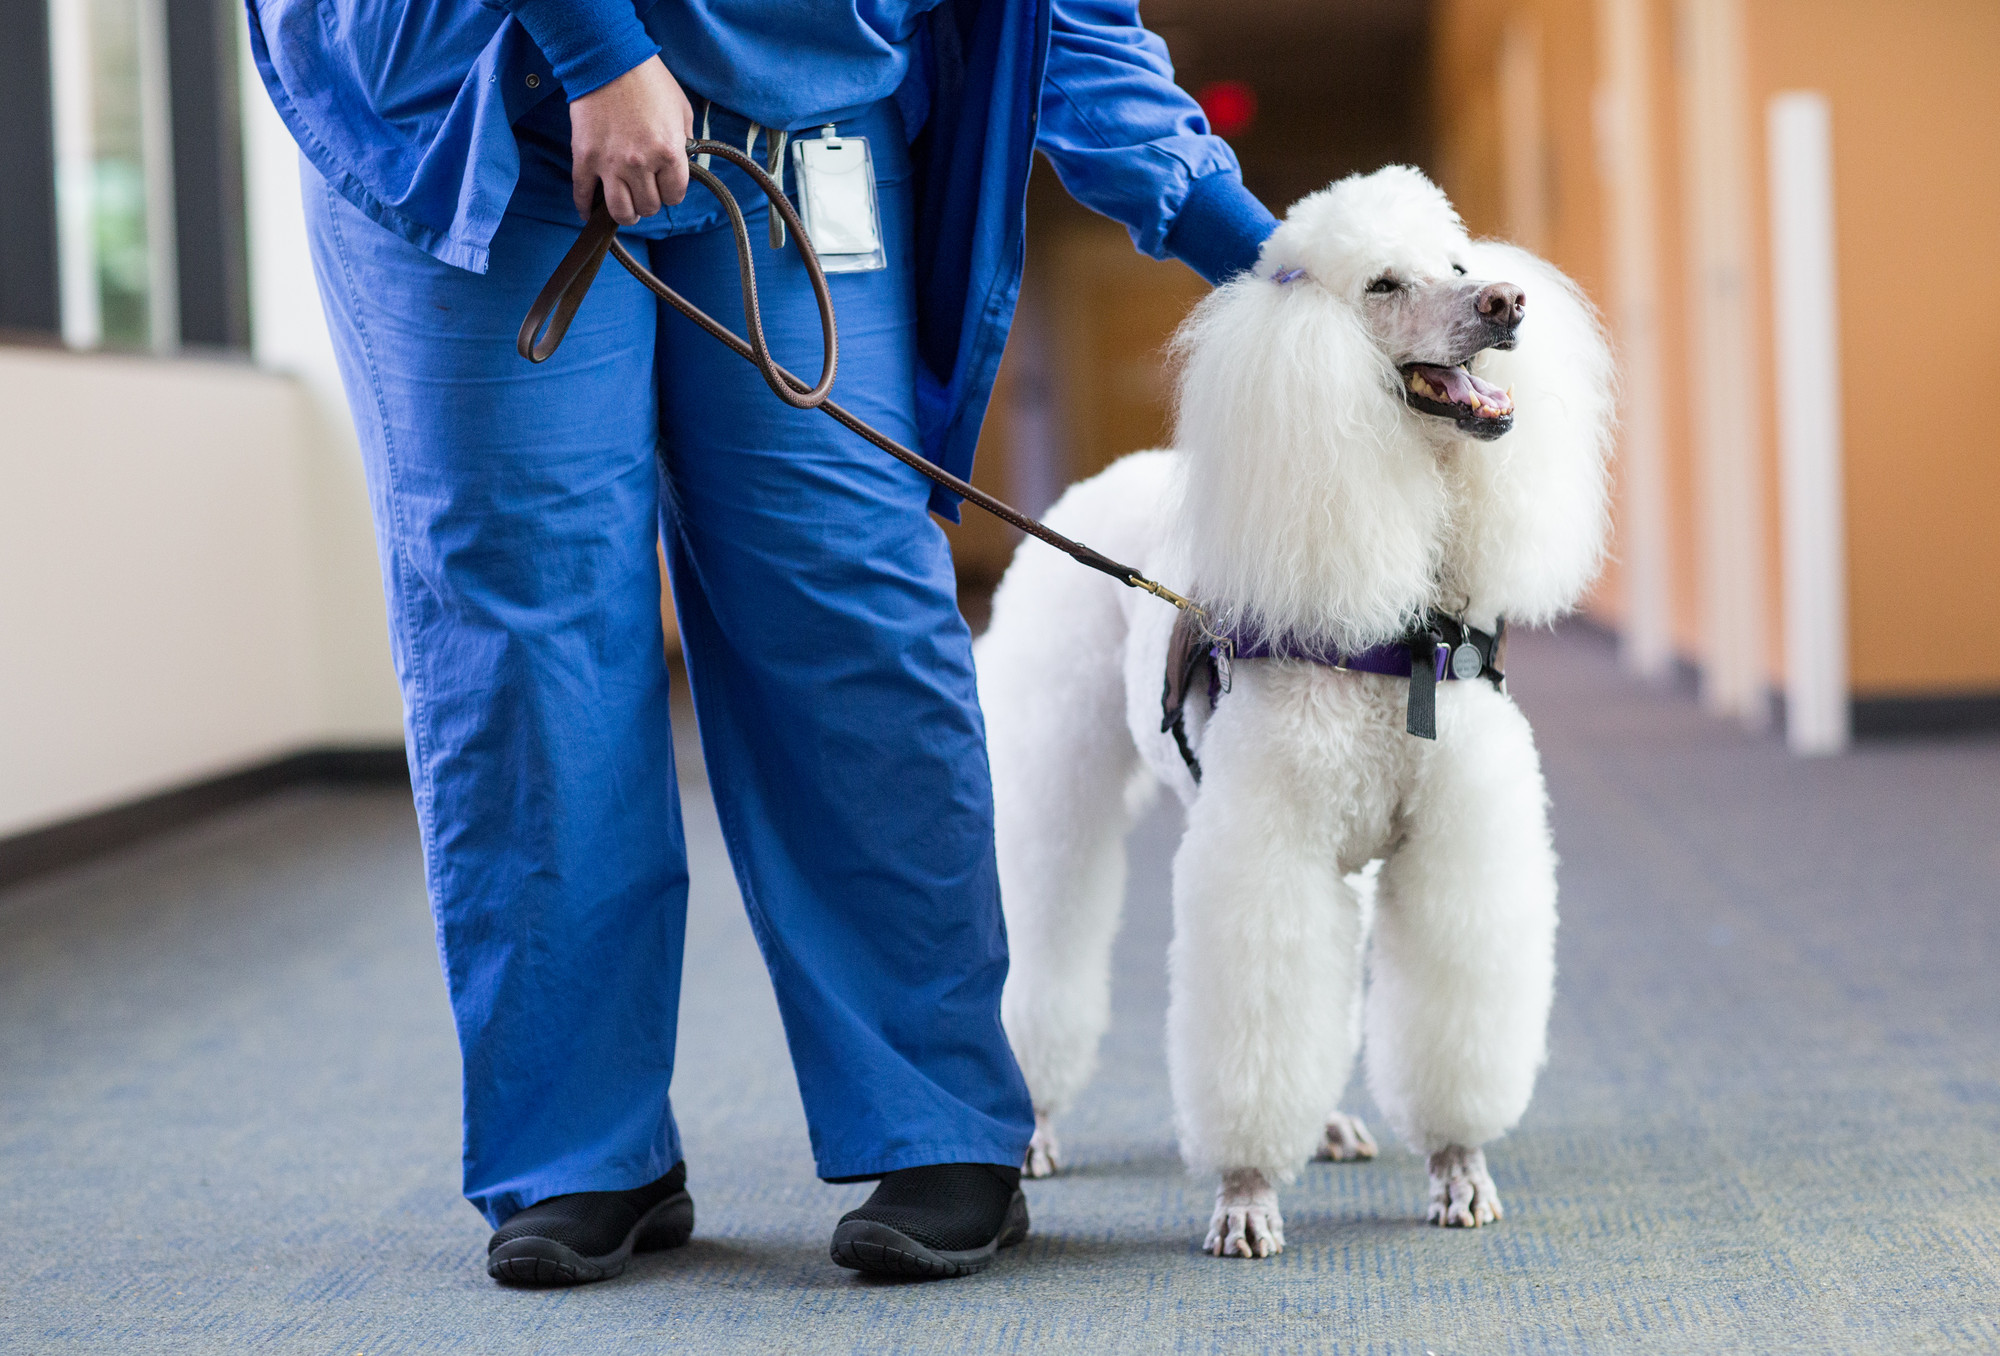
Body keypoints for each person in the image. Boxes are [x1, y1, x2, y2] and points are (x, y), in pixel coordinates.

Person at [246, 0, 1278, 1284]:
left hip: (797, 109)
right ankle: (577, 1151)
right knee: (530, 639)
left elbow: (1060, 17)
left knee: (852, 606)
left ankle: (938, 1116)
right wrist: (599, 54)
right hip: (463, 91)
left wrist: (1265, 256)